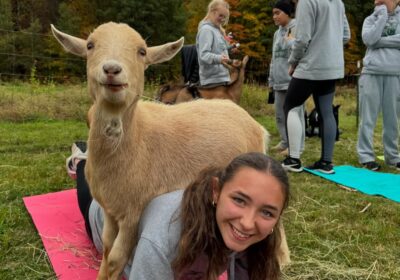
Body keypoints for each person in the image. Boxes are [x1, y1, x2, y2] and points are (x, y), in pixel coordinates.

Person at [66, 143, 290, 280]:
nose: (248, 223)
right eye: (240, 200)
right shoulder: (163, 240)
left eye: (268, 212)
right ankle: (82, 159)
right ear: (216, 191)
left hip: (154, 207)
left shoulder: (252, 231)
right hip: (103, 217)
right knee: (89, 190)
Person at [281, 0, 350, 174]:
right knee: (326, 111)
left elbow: (302, 38)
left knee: (290, 106)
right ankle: (326, 162)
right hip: (332, 67)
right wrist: (328, 47)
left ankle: (293, 160)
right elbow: (345, 35)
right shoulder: (338, 3)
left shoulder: (307, 1)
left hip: (310, 66)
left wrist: (293, 62)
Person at [357, 0, 400, 171]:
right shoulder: (370, 19)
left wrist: (379, 41)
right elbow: (369, 39)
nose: (378, 1)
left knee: (392, 119)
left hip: (395, 73)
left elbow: (375, 41)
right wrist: (382, 16)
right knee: (368, 118)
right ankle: (366, 156)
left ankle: (393, 157)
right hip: (371, 72)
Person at [268, 0, 305, 157]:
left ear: (288, 13)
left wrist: (291, 43)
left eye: (278, 13)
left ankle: (298, 146)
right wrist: (271, 79)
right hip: (278, 81)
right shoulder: (277, 33)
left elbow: (301, 50)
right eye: (273, 14)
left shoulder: (297, 27)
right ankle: (285, 141)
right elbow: (274, 58)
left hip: (292, 80)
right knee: (280, 114)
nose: (274, 17)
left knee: (295, 113)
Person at [196, 0, 232, 88]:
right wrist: (220, 59)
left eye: (224, 17)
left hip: (221, 78)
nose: (222, 19)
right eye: (220, 15)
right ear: (212, 12)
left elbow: (218, 50)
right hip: (212, 80)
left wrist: (230, 49)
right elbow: (203, 55)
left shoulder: (216, 30)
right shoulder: (206, 30)